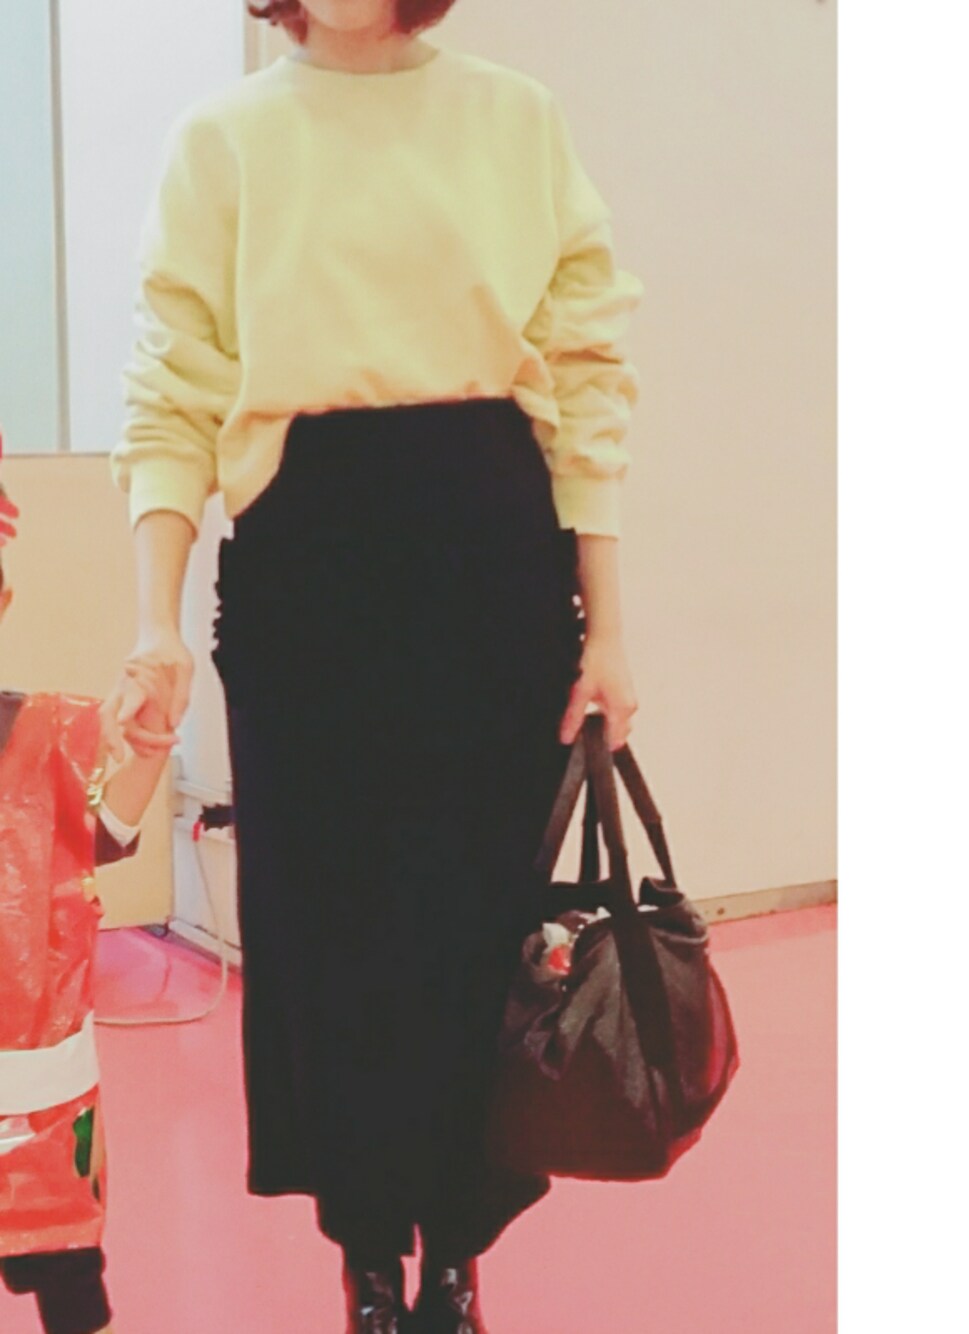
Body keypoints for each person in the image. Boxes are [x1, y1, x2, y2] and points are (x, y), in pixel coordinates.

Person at [104, 2, 641, 1329]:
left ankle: (457, 1246)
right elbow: (173, 387)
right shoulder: (225, 139)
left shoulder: (512, 119)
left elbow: (585, 372)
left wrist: (611, 623)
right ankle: (364, 1250)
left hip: (490, 554)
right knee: (325, 917)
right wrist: (153, 620)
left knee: (481, 915)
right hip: (309, 566)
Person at [0, 483, 176, 1334]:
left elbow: (104, 832)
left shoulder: (44, 733)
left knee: (68, 1280)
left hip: (41, 1097)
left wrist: (149, 748)